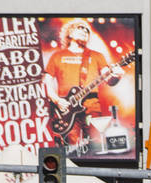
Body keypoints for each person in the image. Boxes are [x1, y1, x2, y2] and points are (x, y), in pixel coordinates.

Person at [43, 18, 125, 154]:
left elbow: (109, 80)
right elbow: (46, 82)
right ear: (69, 33)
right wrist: (57, 100)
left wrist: (117, 75)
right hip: (66, 112)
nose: (84, 31)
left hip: (92, 108)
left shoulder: (97, 56)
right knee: (76, 150)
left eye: (86, 30)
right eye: (79, 28)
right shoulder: (57, 56)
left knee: (97, 146)